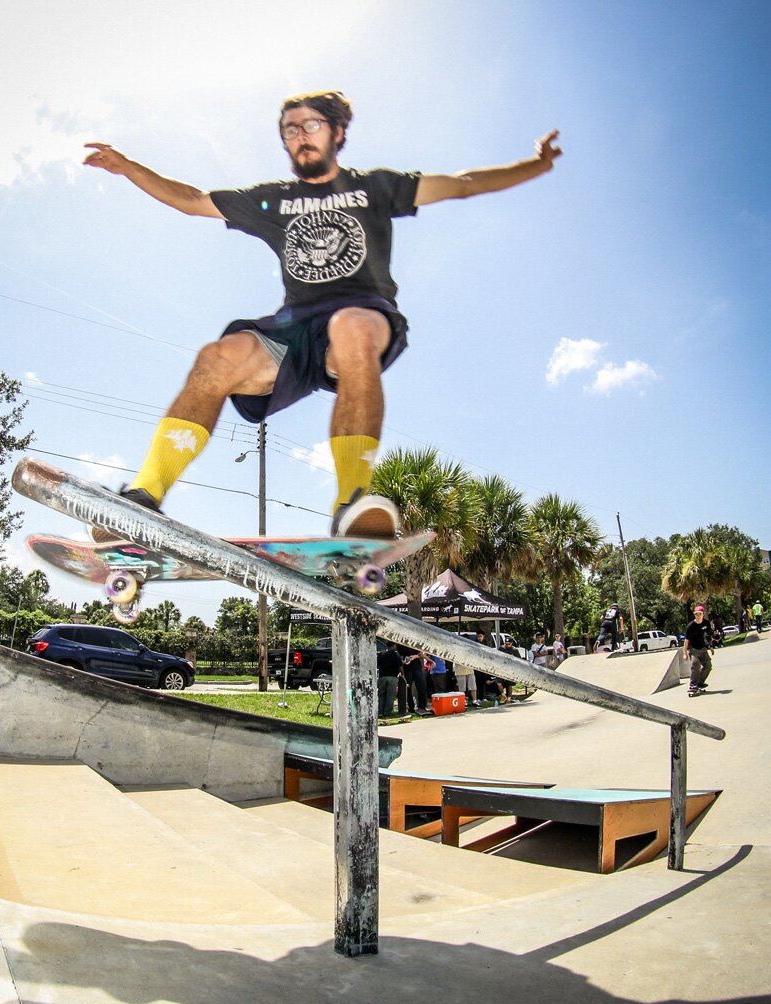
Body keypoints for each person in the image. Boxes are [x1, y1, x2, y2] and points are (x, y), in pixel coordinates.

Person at [84, 93, 561, 538]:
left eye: (311, 124)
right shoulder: (274, 198)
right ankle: (144, 494)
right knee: (218, 357)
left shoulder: (374, 188)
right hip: (294, 329)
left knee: (349, 326)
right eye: (289, 129)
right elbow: (190, 200)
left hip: (362, 319)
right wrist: (128, 167)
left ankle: (352, 500)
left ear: (337, 132)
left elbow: (462, 185)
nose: (300, 135)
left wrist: (535, 166)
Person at [683, 603, 714, 697]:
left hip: (703, 647)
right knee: (695, 665)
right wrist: (685, 653)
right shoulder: (690, 626)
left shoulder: (706, 623)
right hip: (693, 648)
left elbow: (708, 636)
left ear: (703, 614)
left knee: (708, 666)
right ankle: (692, 686)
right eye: (696, 614)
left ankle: (699, 682)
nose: (698, 616)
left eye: (700, 614)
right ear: (694, 615)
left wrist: (711, 647)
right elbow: (686, 640)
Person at [399, 646, 430, 715]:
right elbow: (399, 656)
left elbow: (421, 653)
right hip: (407, 668)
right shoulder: (400, 645)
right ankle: (411, 708)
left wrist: (415, 656)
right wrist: (403, 662)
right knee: (408, 688)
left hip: (417, 667)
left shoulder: (414, 643)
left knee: (422, 685)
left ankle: (422, 707)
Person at [376, 640, 402, 717]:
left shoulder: (381, 654)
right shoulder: (396, 655)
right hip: (392, 677)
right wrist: (402, 674)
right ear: (394, 646)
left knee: (381, 695)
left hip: (382, 677)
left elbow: (377, 664)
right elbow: (400, 666)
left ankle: (380, 712)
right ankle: (388, 712)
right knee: (390, 696)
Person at [454, 633, 481, 706]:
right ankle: (463, 701)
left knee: (473, 686)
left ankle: (474, 700)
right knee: (462, 688)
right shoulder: (457, 648)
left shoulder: (471, 647)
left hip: (469, 669)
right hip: (460, 670)